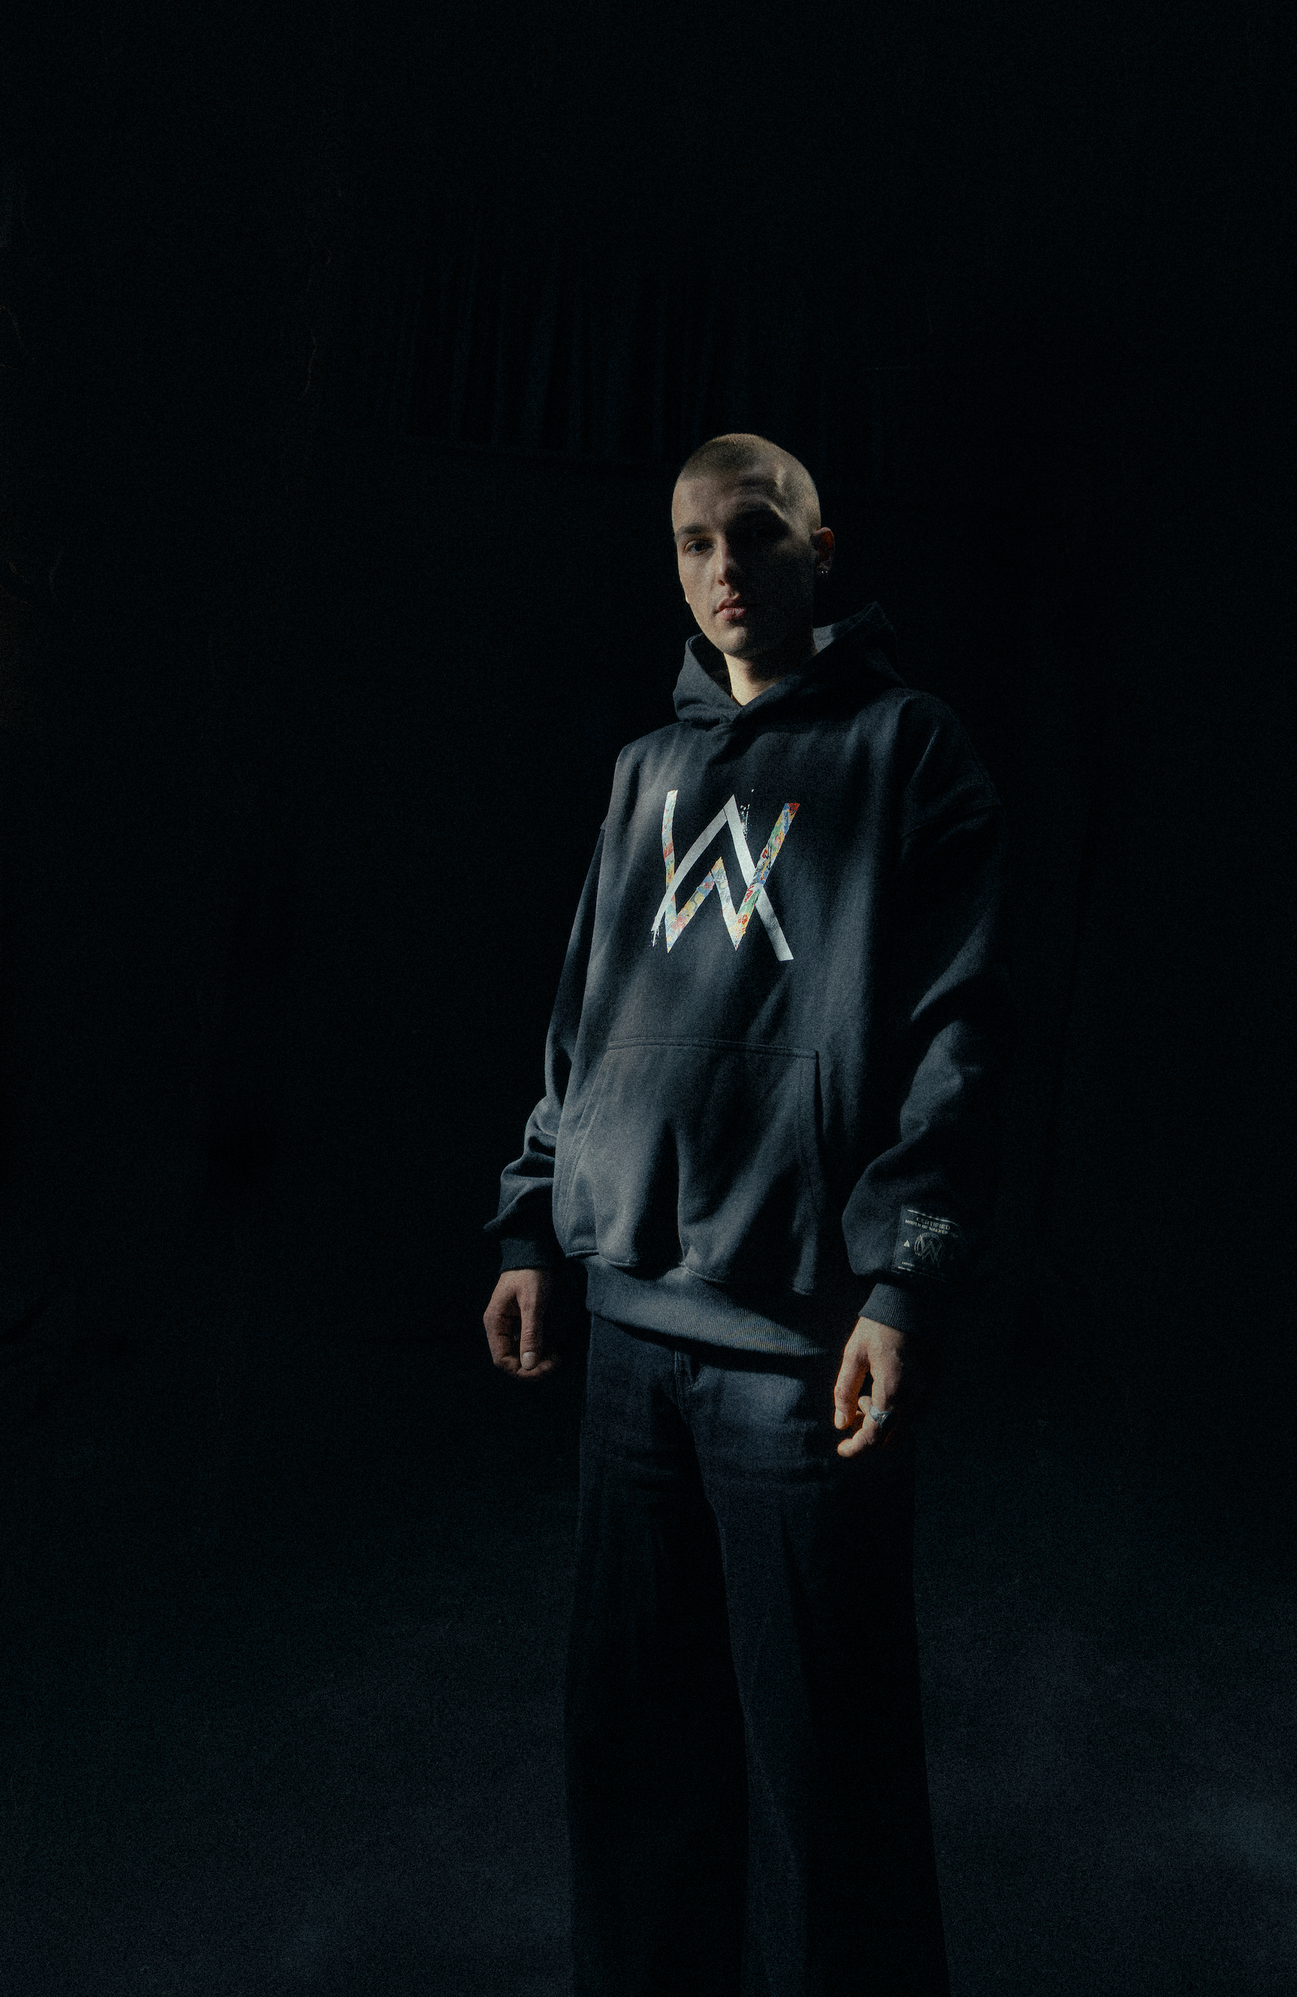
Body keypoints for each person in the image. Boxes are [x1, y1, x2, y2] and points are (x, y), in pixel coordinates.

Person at [482, 432, 1012, 1997]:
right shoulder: (645, 771)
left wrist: (903, 1281)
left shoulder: (911, 749)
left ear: (818, 549)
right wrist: (532, 1222)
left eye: (755, 534)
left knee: (823, 1775)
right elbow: (584, 1017)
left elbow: (962, 1033)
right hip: (632, 1339)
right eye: (694, 542)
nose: (724, 567)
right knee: (636, 1755)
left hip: (797, 1348)